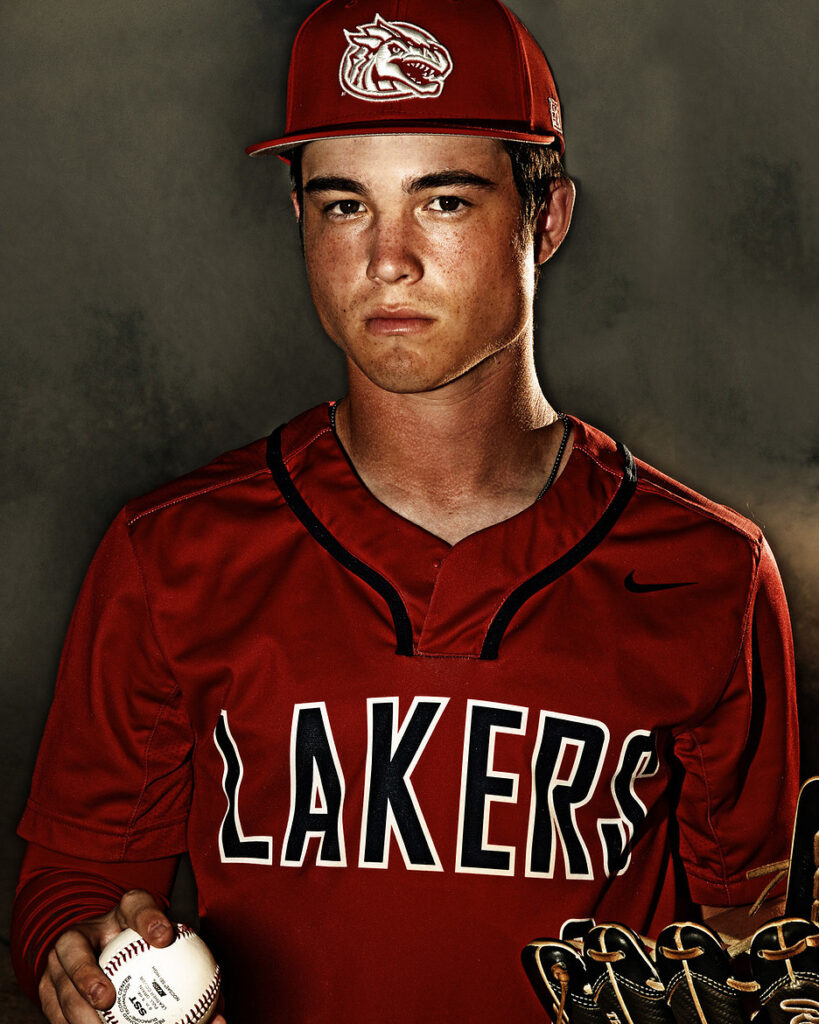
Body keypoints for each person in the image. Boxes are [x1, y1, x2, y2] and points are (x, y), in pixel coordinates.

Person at [12, 1, 799, 1021]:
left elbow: (751, 935)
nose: (386, 260)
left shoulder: (713, 572)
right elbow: (74, 885)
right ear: (299, 219)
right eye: (344, 205)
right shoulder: (171, 554)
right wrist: (84, 962)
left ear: (545, 217)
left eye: (444, 202)